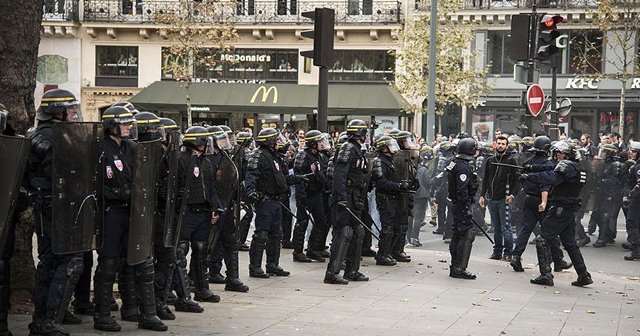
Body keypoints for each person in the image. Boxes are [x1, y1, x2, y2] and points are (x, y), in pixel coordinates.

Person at [93, 106, 168, 332]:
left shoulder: (132, 148)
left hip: (132, 213)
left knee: (142, 263)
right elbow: (96, 184)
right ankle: (103, 314)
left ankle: (146, 313)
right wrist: (120, 194)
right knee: (108, 264)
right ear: (112, 125)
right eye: (124, 123)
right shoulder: (100, 150)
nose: (129, 126)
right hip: (110, 213)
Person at [25, 89, 88, 336]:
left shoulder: (57, 134)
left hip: (55, 206)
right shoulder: (49, 137)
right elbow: (52, 175)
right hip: (55, 207)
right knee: (69, 261)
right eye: (69, 109)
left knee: (50, 262)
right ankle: (49, 320)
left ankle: (41, 320)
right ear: (57, 112)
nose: (74, 113)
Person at [520, 141, 593, 287]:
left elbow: (551, 177)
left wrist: (530, 177)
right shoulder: (577, 166)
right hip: (569, 209)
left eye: (559, 153)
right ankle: (583, 275)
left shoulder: (566, 166)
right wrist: (532, 168)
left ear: (566, 153)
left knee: (542, 239)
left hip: (560, 208)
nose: (557, 155)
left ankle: (546, 275)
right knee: (570, 243)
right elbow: (551, 168)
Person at [510, 136, 572, 273]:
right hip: (543, 201)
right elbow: (545, 183)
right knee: (551, 231)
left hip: (529, 199)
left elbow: (524, 179)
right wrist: (544, 201)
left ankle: (515, 256)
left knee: (525, 229)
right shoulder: (548, 163)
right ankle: (558, 260)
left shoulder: (528, 162)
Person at [245, 128, 300, 278]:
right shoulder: (259, 155)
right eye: (276, 140)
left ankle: (272, 265)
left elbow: (281, 179)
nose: (279, 142)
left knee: (276, 234)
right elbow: (251, 177)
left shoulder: (275, 157)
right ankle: (255, 267)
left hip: (276, 200)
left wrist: (298, 178)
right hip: (265, 200)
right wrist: (251, 191)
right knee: (262, 234)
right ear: (269, 142)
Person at [324, 120, 371, 284]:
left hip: (355, 196)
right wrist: (341, 197)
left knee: (358, 232)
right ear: (360, 134)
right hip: (345, 197)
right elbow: (339, 175)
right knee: (344, 232)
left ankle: (352, 270)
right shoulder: (347, 148)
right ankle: (332, 272)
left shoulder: (358, 150)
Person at [291, 130, 331, 263]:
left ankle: (313, 249)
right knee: (302, 222)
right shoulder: (302, 156)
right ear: (312, 143)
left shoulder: (319, 156)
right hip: (306, 194)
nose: (321, 144)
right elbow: (299, 177)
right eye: (319, 141)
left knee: (321, 221)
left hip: (316, 193)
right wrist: (302, 197)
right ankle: (297, 252)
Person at [479, 135, 519, 262]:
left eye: (503, 143)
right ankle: (497, 251)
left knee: (505, 227)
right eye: (499, 143)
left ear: (507, 146)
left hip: (504, 199)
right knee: (496, 227)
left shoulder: (511, 161)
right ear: (495, 145)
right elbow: (485, 179)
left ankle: (508, 252)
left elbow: (517, 181)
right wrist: (482, 195)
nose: (501, 145)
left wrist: (512, 194)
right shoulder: (490, 160)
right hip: (491, 199)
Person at [372, 135, 407, 265]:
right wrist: (398, 186)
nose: (393, 147)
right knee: (387, 227)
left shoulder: (389, 160)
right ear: (383, 148)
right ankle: (382, 255)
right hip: (385, 198)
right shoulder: (379, 161)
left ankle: (388, 252)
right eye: (390, 145)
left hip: (393, 197)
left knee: (393, 226)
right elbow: (381, 182)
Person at [447, 138, 479, 280]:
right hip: (461, 205)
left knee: (458, 235)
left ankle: (455, 266)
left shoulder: (457, 163)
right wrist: (466, 208)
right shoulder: (462, 167)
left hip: (458, 204)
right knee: (465, 236)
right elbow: (462, 189)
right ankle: (459, 268)